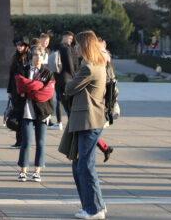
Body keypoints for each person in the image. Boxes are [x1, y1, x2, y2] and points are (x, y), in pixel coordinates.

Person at [65, 30, 108, 219]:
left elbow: (69, 88)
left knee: (85, 166)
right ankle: (94, 205)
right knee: (80, 165)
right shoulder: (94, 65)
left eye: (77, 44)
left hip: (88, 121)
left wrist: (70, 84)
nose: (75, 47)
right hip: (88, 120)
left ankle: (93, 209)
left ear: (85, 46)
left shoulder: (89, 68)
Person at [16, 46, 55, 183]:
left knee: (40, 142)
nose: (38, 58)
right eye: (35, 55)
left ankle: (37, 171)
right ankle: (23, 170)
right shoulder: (23, 70)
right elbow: (20, 86)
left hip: (42, 111)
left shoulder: (48, 73)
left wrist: (28, 91)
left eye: (40, 55)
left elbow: (47, 93)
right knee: (26, 141)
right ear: (31, 56)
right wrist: (38, 85)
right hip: (27, 111)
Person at [51, 31, 76, 131]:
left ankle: (59, 123)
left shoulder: (55, 48)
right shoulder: (66, 49)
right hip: (67, 77)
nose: (71, 41)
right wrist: (74, 76)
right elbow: (70, 65)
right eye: (69, 38)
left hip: (57, 76)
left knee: (59, 100)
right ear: (64, 37)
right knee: (69, 101)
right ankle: (71, 123)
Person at [8, 41, 30, 148]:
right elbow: (11, 74)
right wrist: (9, 91)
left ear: (26, 46)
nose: (19, 47)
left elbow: (27, 76)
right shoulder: (15, 57)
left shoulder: (28, 58)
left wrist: (24, 91)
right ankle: (19, 141)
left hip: (23, 92)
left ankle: (22, 141)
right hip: (15, 91)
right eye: (18, 45)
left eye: (21, 45)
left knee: (22, 117)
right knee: (17, 116)